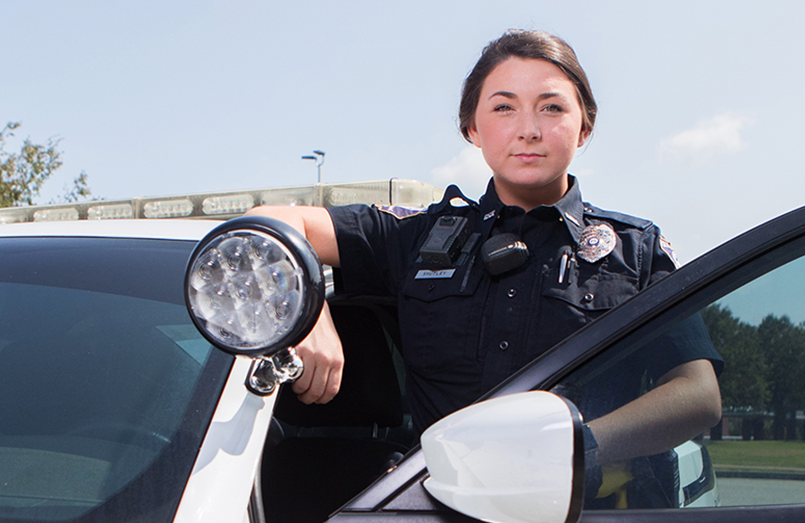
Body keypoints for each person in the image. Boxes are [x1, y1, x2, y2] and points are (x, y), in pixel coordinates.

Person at [248, 29, 722, 470]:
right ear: (471, 128)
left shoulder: (637, 251)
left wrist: (578, 450)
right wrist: (305, 308)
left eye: (552, 108)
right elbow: (266, 223)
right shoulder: (415, 236)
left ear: (584, 128)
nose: (529, 129)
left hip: (580, 507)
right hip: (436, 507)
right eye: (503, 108)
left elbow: (698, 395)